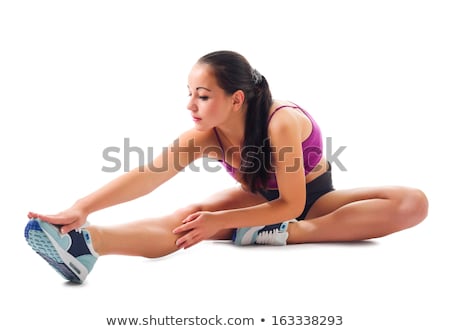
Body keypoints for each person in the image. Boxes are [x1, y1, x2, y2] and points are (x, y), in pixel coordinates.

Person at [25, 50, 429, 283]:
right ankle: (88, 244)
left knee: (413, 202)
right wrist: (82, 207)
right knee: (188, 218)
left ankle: (288, 235)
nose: (190, 105)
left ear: (237, 98)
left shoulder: (281, 120)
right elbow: (146, 176)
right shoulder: (204, 136)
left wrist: (234, 220)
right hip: (258, 200)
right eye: (189, 94)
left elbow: (291, 203)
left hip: (315, 202)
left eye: (202, 95)